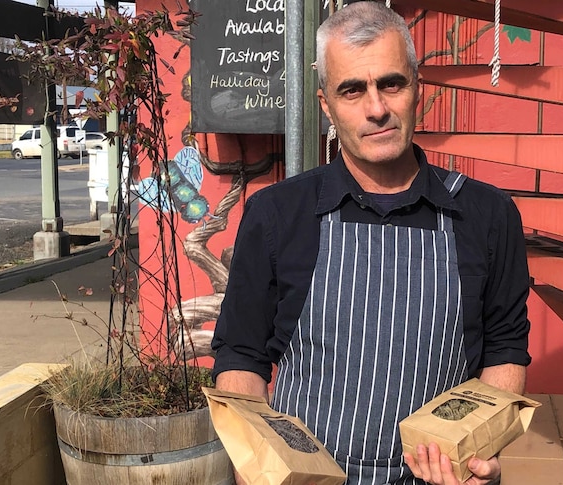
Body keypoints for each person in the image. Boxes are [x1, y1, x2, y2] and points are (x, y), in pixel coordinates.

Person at [211, 2, 531, 483]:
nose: (376, 108)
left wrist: (479, 453)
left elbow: (504, 350)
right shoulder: (277, 214)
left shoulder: (487, 215)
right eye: (352, 90)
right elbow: (241, 356)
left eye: (391, 84)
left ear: (417, 87)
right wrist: (258, 468)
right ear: (326, 105)